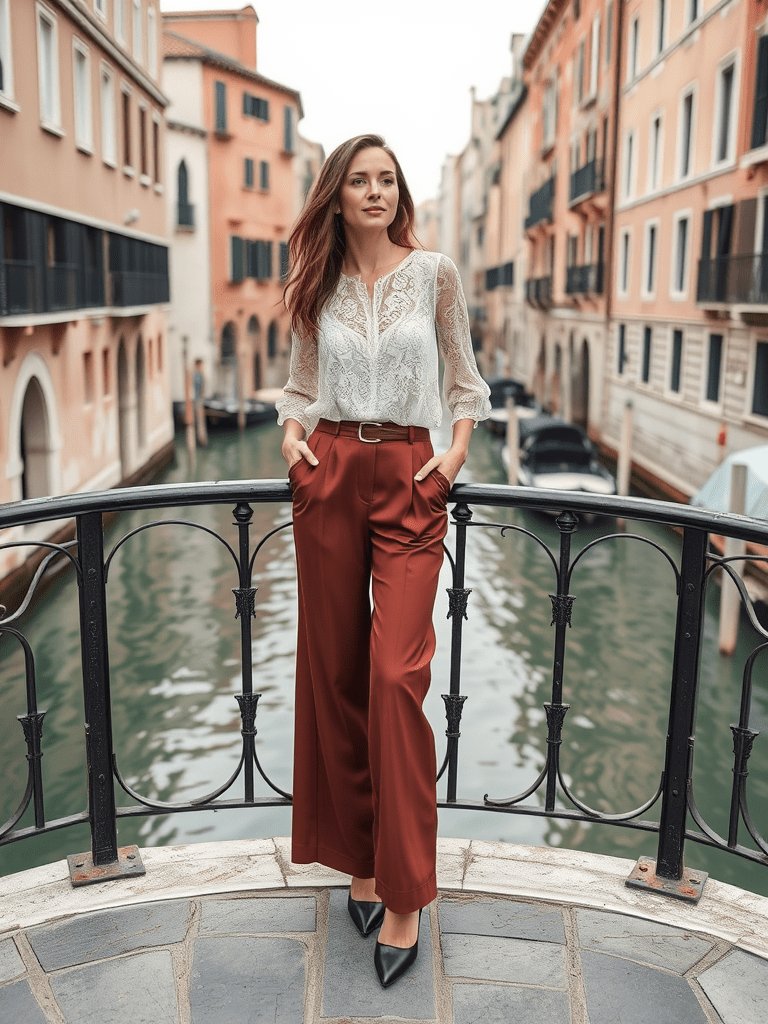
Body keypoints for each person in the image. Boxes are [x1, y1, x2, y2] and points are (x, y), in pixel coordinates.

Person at [276, 133, 491, 987]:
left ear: (399, 192)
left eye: (385, 179)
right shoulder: (316, 285)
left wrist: (454, 457)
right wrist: (292, 441)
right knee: (334, 672)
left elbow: (465, 380)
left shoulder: (435, 273)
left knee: (397, 676)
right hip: (328, 473)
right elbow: (298, 385)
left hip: (409, 474)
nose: (373, 191)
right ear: (335, 196)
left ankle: (404, 893)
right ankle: (358, 861)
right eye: (358, 180)